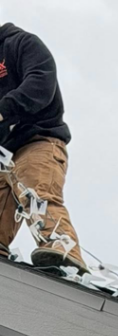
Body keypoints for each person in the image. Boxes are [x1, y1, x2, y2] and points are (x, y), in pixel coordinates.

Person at [0, 22, 86, 272]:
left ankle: (62, 246)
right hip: (4, 152)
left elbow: (40, 83)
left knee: (36, 191)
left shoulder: (21, 44)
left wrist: (4, 110)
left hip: (38, 140)